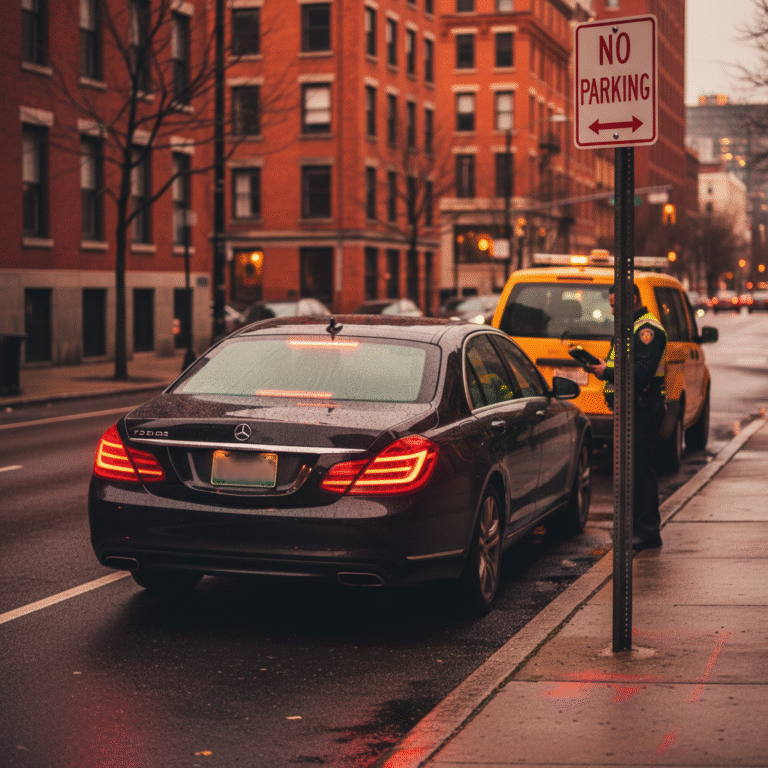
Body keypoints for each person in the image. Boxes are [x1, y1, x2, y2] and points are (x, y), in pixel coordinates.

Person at [583, 283, 668, 551]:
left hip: (643, 408)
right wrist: (601, 365)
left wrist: (605, 373)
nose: (612, 311)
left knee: (641, 470)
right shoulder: (629, 328)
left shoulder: (647, 330)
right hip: (631, 408)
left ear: (630, 299)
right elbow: (620, 363)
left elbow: (641, 372)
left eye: (614, 305)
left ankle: (648, 531)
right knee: (632, 470)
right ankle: (638, 529)